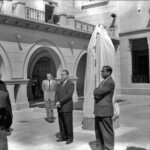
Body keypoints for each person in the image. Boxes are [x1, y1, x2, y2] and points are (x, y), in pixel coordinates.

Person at [93, 66, 115, 150]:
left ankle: (109, 148)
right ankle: (100, 148)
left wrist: (95, 91)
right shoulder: (103, 82)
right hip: (99, 110)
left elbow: (98, 91)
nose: (101, 72)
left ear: (108, 72)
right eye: (101, 71)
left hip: (105, 111)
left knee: (107, 131)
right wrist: (96, 92)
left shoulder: (110, 82)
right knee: (99, 132)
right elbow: (97, 92)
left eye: (103, 71)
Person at [55, 70, 75, 145]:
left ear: (67, 75)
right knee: (61, 123)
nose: (62, 76)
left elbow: (69, 95)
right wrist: (57, 102)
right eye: (61, 74)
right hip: (59, 107)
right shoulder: (59, 84)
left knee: (68, 123)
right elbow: (56, 94)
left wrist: (60, 102)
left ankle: (70, 138)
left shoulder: (71, 84)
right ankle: (63, 137)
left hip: (67, 106)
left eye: (63, 74)